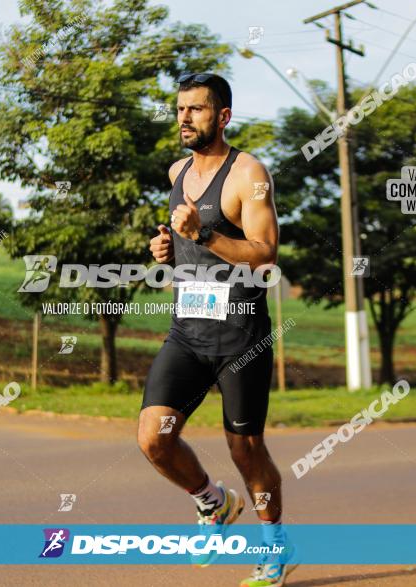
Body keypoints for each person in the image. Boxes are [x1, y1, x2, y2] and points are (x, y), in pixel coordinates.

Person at [139, 72, 297, 587]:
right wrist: (167, 247)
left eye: (197, 109)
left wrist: (202, 233)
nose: (184, 118)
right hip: (188, 329)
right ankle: (213, 502)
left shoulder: (248, 173)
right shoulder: (176, 171)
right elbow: (183, 241)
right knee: (154, 439)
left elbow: (265, 255)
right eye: (180, 108)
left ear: (223, 116)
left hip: (240, 336)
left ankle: (276, 547)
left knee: (244, 449)